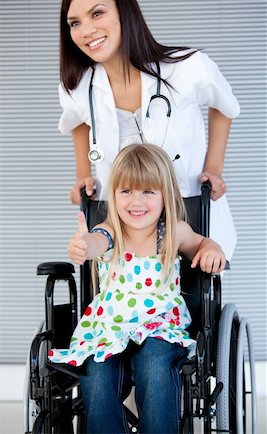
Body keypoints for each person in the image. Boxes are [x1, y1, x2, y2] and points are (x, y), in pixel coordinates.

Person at [49, 143, 226, 434]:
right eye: (126, 191)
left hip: (159, 326)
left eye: (148, 191)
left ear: (164, 194)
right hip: (110, 329)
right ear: (114, 195)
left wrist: (212, 249)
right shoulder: (110, 231)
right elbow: (95, 242)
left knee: (155, 367)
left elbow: (201, 244)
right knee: (97, 375)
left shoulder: (173, 232)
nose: (136, 201)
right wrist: (83, 246)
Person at [58, 0, 240, 261]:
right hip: (122, 224)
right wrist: (83, 173)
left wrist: (213, 168)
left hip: (189, 212)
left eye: (97, 13)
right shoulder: (79, 87)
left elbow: (224, 106)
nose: (85, 31)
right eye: (75, 23)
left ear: (124, 12)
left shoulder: (187, 68)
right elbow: (76, 121)